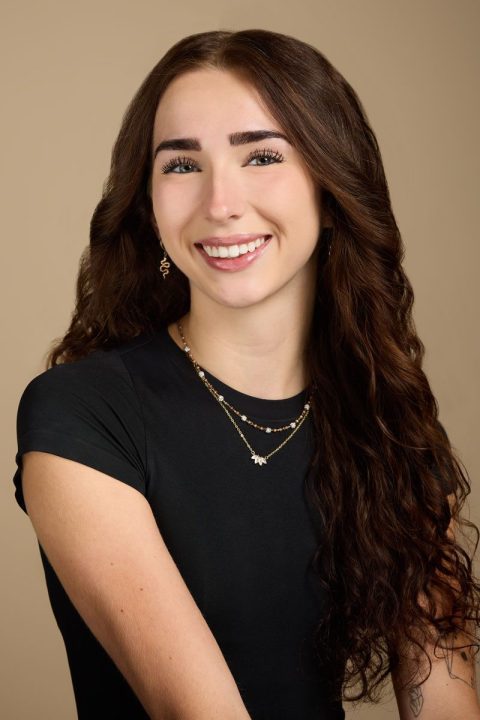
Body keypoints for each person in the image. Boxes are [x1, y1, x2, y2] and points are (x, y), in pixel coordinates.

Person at [12, 28, 480, 720]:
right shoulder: (81, 414)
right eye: (180, 166)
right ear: (147, 202)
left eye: (261, 155)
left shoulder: (388, 418)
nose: (220, 203)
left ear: (330, 186)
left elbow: (446, 699)